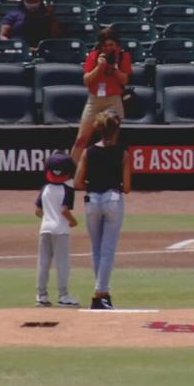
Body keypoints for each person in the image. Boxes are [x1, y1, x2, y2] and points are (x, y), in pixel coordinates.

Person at [73, 110, 132, 310]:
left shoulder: (88, 152)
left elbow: (78, 182)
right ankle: (100, 293)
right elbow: (127, 187)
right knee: (107, 249)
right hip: (113, 198)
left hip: (92, 199)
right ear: (116, 130)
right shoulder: (123, 153)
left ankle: (102, 293)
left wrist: (93, 183)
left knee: (97, 249)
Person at [71, 28, 131, 162]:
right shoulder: (94, 56)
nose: (108, 48)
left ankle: (109, 170)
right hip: (94, 100)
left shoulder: (123, 56)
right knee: (81, 139)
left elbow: (124, 80)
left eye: (111, 45)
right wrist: (99, 67)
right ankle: (70, 170)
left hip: (113, 100)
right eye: (105, 45)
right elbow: (87, 81)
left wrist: (113, 68)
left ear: (116, 45)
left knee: (111, 141)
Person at [34, 153, 80, 308]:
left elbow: (38, 211)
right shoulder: (68, 189)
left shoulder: (45, 188)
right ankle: (63, 295)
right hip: (61, 230)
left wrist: (49, 218)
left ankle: (41, 296)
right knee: (62, 263)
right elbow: (64, 210)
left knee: (43, 263)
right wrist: (73, 221)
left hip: (45, 228)